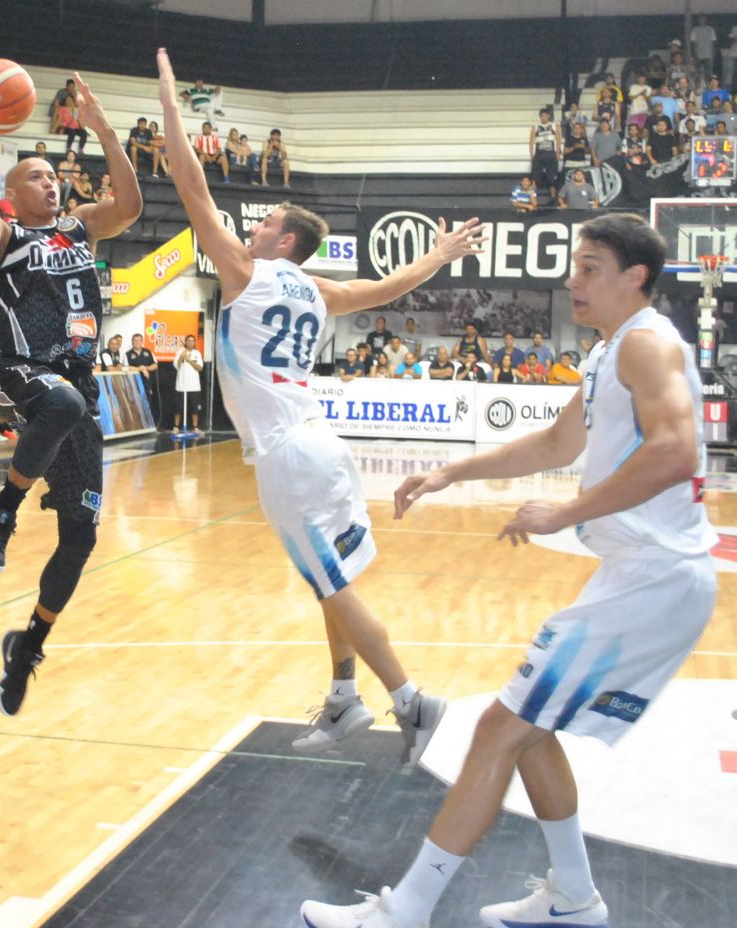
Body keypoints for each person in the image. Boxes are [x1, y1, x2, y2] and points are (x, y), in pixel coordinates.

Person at [301, 211, 718, 928]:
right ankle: (573, 897)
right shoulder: (610, 350)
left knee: (499, 728)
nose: (573, 280)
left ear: (635, 276)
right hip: (641, 576)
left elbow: (676, 451)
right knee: (529, 731)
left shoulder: (646, 344)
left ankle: (405, 911)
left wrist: (566, 511)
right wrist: (450, 471)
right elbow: (558, 442)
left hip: (655, 579)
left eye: (589, 268)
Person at [158, 47, 484, 764]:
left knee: (334, 588)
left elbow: (189, 183)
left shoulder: (244, 272)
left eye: (263, 223)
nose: (250, 229)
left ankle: (412, 702)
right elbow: (390, 288)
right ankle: (344, 697)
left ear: (285, 240)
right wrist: (440, 255)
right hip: (321, 442)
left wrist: (172, 106)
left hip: (288, 456)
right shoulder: (320, 290)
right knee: (331, 582)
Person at [0, 70, 141, 716]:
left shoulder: (81, 227)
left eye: (53, 175)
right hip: (25, 369)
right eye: (35, 177)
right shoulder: (5, 241)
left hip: (80, 386)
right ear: (11, 194)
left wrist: (104, 130)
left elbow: (130, 207)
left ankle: (27, 647)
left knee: (80, 536)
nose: (50, 182)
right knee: (60, 402)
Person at [173, 333, 203, 431]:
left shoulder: (197, 353)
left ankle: (195, 427)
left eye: (192, 341)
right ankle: (176, 426)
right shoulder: (180, 352)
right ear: (185, 342)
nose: (190, 342)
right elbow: (177, 366)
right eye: (188, 340)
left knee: (194, 408)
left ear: (194, 343)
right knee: (178, 407)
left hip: (194, 386)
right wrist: (181, 358)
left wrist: (189, 360)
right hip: (181, 386)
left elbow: (199, 368)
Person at [125, 332, 158, 417]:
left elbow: (155, 365)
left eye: (139, 340)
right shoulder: (127, 354)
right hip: (133, 383)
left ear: (142, 342)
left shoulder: (148, 352)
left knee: (147, 402)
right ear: (132, 342)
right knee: (134, 404)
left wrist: (145, 368)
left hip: (146, 383)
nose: (137, 342)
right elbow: (126, 368)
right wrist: (141, 369)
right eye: (135, 340)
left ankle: (148, 421)